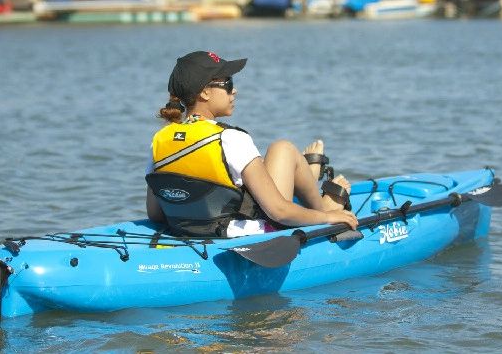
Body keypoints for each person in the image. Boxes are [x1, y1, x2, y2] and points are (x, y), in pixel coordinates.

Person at [146, 50, 358, 237]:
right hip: (247, 230)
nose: (234, 91)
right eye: (227, 83)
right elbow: (279, 213)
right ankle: (322, 203)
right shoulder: (230, 139)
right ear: (204, 92)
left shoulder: (160, 140)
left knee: (258, 167)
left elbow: (155, 213)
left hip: (186, 229)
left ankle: (306, 178)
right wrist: (327, 218)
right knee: (282, 148)